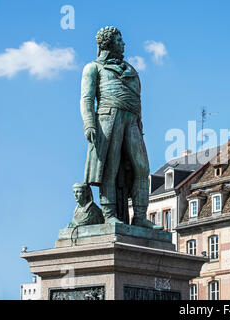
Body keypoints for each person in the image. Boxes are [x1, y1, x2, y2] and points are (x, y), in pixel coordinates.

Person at [80, 26, 158, 229]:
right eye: (119, 40)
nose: (123, 44)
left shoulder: (131, 69)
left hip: (132, 120)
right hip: (108, 118)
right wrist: (89, 122)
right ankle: (109, 215)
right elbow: (86, 99)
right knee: (110, 167)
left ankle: (140, 216)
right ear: (108, 43)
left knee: (142, 168)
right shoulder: (93, 68)